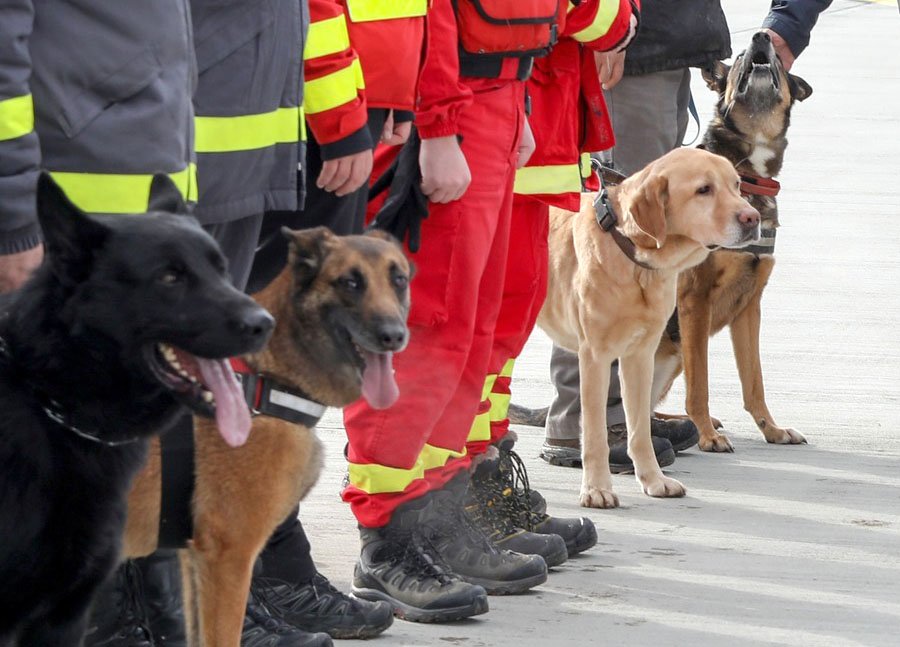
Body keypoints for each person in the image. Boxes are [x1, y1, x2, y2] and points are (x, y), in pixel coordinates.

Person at [339, 0, 639, 624]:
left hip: (498, 91)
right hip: (454, 97)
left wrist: (517, 98)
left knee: (473, 333)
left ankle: (440, 521)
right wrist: (441, 123)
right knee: (430, 329)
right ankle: (389, 538)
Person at [532, 0, 832, 471]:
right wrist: (606, 29)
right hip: (630, 46)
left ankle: (626, 416)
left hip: (668, 44)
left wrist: (789, 25)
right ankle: (584, 420)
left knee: (650, 254)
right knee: (619, 237)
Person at [242, 1, 431, 641]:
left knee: (295, 363)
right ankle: (262, 571)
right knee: (263, 362)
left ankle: (269, 568)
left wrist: (390, 98)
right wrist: (346, 115)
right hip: (305, 116)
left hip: (339, 101)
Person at [461, 1, 644, 564]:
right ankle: (451, 498)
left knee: (505, 324)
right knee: (471, 329)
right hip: (494, 118)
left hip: (532, 125)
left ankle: (483, 479)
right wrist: (616, 23)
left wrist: (618, 21)